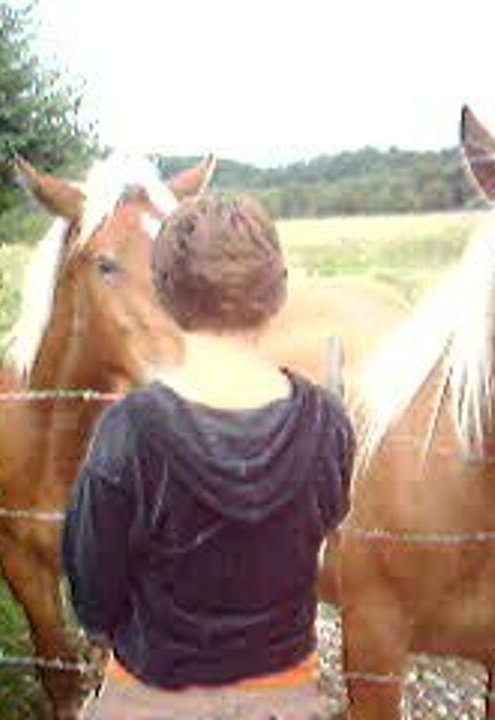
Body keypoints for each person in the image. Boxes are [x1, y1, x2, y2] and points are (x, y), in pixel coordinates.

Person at [62, 194, 354, 720]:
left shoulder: (129, 431)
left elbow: (93, 597)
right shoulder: (328, 423)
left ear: (166, 293)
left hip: (150, 695)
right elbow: (323, 528)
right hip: (285, 696)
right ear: (277, 293)